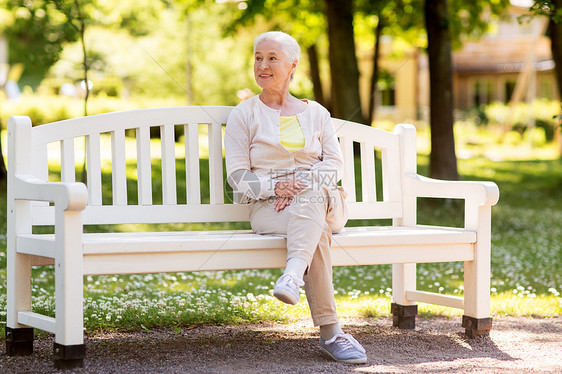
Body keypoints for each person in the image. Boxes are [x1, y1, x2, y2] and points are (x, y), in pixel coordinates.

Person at [224, 31, 367, 364]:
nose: (262, 65)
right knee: (316, 230)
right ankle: (332, 333)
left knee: (313, 200)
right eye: (258, 57)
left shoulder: (317, 113)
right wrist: (275, 188)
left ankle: (293, 273)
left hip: (326, 200)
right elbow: (238, 174)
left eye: (272, 58)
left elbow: (335, 163)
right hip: (269, 209)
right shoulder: (244, 115)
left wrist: (298, 183)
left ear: (293, 65)